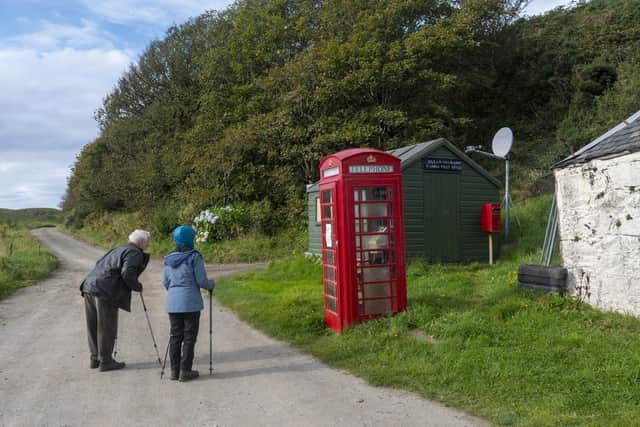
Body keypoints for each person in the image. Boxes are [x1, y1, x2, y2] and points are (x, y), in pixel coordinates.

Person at [80, 229, 151, 372]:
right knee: (106, 326)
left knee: (93, 325)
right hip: (104, 290)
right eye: (147, 242)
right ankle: (106, 361)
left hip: (89, 285)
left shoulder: (118, 249)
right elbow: (127, 273)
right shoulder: (134, 253)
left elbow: (99, 263)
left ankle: (95, 359)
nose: (148, 244)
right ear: (142, 242)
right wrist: (137, 286)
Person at [162, 225, 215, 382]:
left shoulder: (168, 259)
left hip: (173, 303)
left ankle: (174, 371)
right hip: (190, 303)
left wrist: (174, 292)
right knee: (189, 337)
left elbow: (165, 282)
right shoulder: (194, 257)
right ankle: (185, 371)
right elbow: (201, 281)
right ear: (191, 239)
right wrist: (211, 284)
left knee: (175, 336)